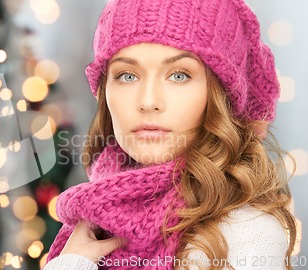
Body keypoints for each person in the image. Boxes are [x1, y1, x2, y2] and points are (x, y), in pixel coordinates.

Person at [43, 0, 298, 269]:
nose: (149, 101)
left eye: (179, 76)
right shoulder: (95, 217)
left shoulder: (246, 233)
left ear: (219, 96)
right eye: (127, 76)